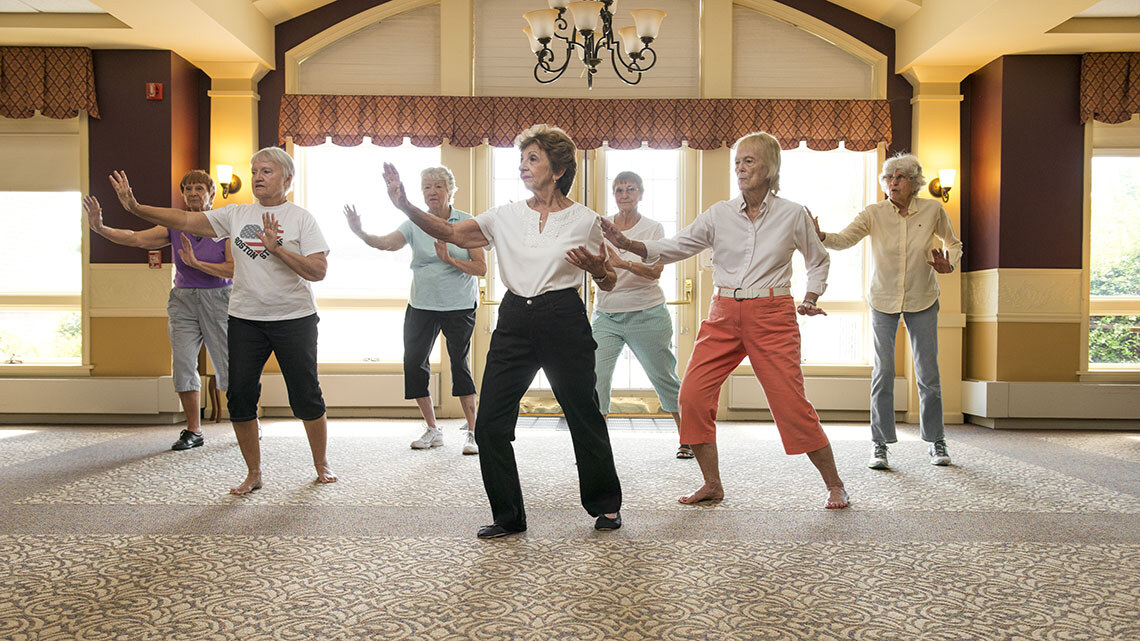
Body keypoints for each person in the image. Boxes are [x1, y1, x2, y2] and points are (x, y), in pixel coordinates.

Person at [382, 124, 624, 538]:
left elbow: (609, 280)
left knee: (583, 414)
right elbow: (451, 232)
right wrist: (404, 204)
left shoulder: (586, 220)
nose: (524, 166)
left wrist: (598, 269)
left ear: (560, 169)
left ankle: (606, 506)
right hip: (514, 319)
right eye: (522, 159)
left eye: (533, 159)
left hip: (564, 316)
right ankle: (508, 515)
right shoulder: (505, 215)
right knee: (491, 422)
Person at [602, 131, 849, 509]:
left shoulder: (792, 213)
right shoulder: (719, 214)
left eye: (749, 161)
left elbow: (818, 260)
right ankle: (712, 483)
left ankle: (835, 484)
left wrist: (811, 297)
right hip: (722, 315)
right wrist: (629, 242)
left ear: (771, 167)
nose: (740, 168)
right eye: (737, 162)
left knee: (790, 403)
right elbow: (676, 246)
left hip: (772, 315)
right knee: (692, 395)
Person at [104, 147, 337, 495]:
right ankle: (254, 473)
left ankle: (321, 465)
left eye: (267, 171)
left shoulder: (301, 219)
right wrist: (136, 208)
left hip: (294, 318)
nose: (258, 176)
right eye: (255, 170)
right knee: (240, 396)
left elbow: (318, 271)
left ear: (287, 179)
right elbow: (182, 221)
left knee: (305, 395)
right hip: (245, 319)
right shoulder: (236, 214)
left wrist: (278, 249)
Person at [812, 153, 962, 470]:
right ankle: (879, 445)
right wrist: (821, 235)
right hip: (883, 300)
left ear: (914, 182)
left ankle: (936, 441)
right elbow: (844, 239)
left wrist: (949, 262)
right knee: (883, 373)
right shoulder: (874, 213)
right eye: (889, 178)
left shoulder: (934, 209)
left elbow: (954, 243)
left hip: (923, 298)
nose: (892, 183)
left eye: (900, 177)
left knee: (928, 375)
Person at [83, 170, 232, 452]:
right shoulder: (175, 226)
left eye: (199, 188)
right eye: (187, 188)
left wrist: (197, 264)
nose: (192, 193)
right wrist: (101, 229)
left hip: (219, 298)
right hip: (183, 300)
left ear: (211, 194)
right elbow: (136, 238)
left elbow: (232, 269)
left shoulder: (224, 225)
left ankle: (246, 421)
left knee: (228, 366)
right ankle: (194, 430)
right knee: (184, 364)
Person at [343, 166, 486, 455]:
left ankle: (473, 431)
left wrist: (450, 260)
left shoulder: (467, 222)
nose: (432, 192)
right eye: (426, 187)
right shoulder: (414, 223)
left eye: (437, 187)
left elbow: (480, 268)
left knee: (459, 363)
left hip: (459, 305)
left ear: (450, 190)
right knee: (414, 363)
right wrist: (359, 232)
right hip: (422, 304)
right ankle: (433, 429)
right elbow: (385, 244)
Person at [593, 171, 686, 458]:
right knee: (596, 378)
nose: (624, 194)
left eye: (630, 189)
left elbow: (655, 273)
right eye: (619, 190)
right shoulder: (602, 228)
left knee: (664, 377)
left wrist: (624, 264)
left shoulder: (653, 229)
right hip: (607, 315)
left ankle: (688, 438)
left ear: (641, 194)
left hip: (647, 313)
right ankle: (597, 446)